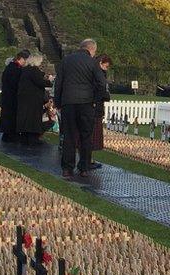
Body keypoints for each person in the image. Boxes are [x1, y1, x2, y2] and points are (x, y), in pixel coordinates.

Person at [54, 38, 108, 179]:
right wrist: (95, 100)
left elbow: (58, 83)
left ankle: (67, 168)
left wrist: (58, 102)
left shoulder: (66, 61)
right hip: (86, 103)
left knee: (69, 136)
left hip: (69, 102)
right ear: (91, 49)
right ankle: (83, 167)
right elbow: (102, 83)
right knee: (86, 136)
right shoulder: (92, 62)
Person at [15, 53, 50, 145]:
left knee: (25, 118)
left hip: (25, 98)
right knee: (32, 119)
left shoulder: (26, 69)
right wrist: (50, 81)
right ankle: (32, 139)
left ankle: (25, 138)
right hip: (32, 99)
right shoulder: (33, 70)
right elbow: (40, 82)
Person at [0, 50, 30, 142]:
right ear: (21, 59)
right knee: (11, 116)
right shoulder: (15, 69)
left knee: (8, 116)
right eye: (24, 60)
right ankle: (11, 135)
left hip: (7, 96)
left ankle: (8, 134)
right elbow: (16, 83)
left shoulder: (10, 67)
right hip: (11, 96)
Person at [90, 54, 111, 163]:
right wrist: (106, 96)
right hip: (95, 107)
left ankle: (88, 158)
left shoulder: (96, 73)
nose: (106, 69)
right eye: (106, 66)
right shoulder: (98, 75)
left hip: (95, 106)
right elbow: (100, 91)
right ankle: (88, 159)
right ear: (100, 63)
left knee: (91, 134)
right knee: (92, 135)